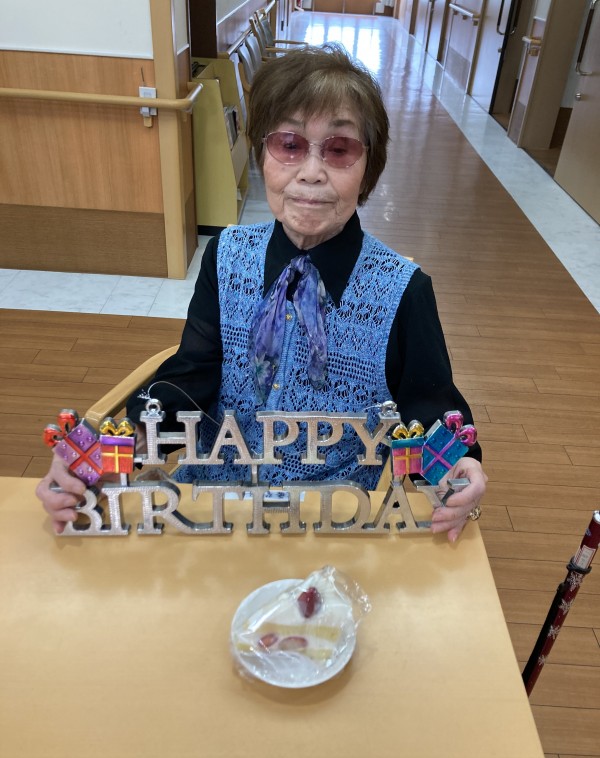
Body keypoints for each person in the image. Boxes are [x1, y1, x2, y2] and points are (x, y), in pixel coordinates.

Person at [36, 44, 487, 541]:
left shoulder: (404, 290)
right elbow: (191, 376)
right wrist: (102, 457)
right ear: (262, 157)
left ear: (368, 169)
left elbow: (428, 409)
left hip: (331, 523)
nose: (311, 172)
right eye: (289, 144)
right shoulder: (226, 256)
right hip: (211, 511)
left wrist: (457, 468)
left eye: (339, 150)